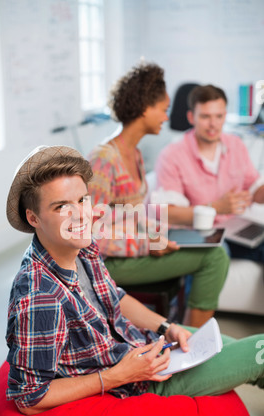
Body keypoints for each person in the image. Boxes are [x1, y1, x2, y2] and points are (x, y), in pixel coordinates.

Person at [5, 145, 264, 415]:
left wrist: (167, 326)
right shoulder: (39, 295)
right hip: (141, 384)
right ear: (33, 217)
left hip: (147, 347)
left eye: (83, 200)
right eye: (62, 206)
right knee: (261, 351)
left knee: (232, 344)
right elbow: (29, 398)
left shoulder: (80, 247)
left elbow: (114, 298)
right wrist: (118, 376)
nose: (82, 214)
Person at [88, 63, 229, 328]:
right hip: (108, 264)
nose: (166, 117)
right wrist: (147, 244)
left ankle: (185, 334)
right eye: (163, 110)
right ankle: (192, 341)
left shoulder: (135, 154)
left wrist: (156, 234)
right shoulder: (103, 160)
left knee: (209, 246)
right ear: (145, 108)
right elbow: (90, 236)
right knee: (215, 257)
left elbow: (132, 215)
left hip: (131, 252)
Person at [155, 84, 264, 263]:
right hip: (197, 233)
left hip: (232, 228)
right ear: (191, 117)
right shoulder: (172, 154)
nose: (213, 124)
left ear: (225, 116)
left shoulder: (236, 145)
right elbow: (167, 213)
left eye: (219, 116)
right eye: (205, 116)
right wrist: (215, 207)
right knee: (219, 252)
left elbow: (255, 190)